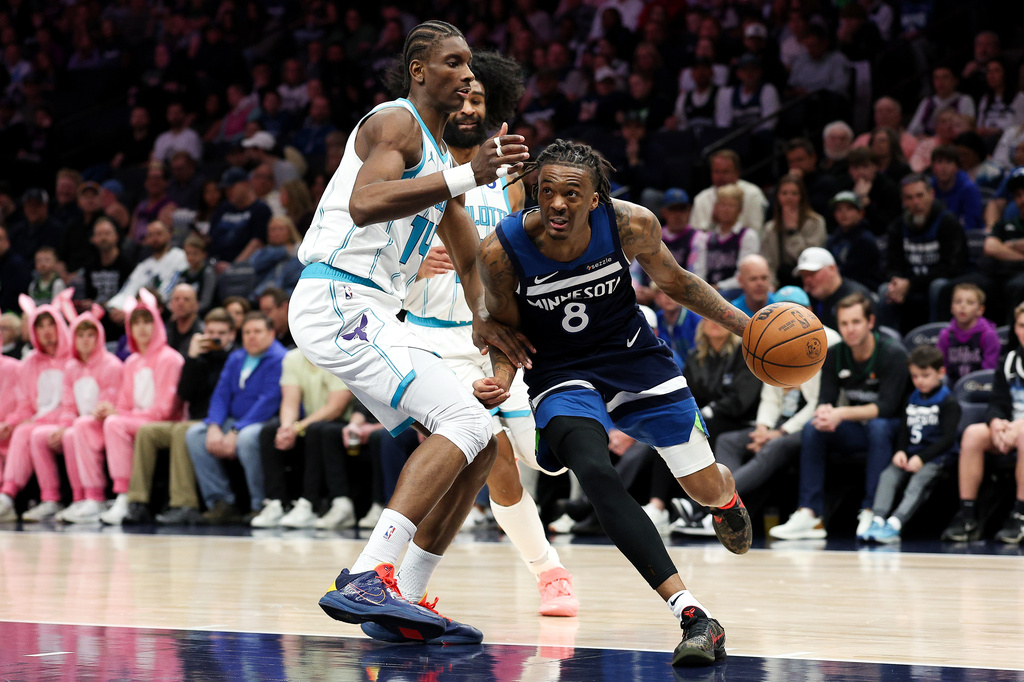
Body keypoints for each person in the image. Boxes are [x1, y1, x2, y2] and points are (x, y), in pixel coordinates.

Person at [288, 20, 532, 644]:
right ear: (419, 70)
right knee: (468, 422)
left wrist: (486, 321)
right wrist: (467, 176)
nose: (469, 75)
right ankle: (372, 575)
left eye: (472, 66)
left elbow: (470, 256)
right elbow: (366, 203)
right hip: (340, 295)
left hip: (367, 309)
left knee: (480, 446)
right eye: (454, 63)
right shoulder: (394, 123)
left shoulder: (437, 155)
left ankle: (402, 602)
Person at [476, 138, 754, 666]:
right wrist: (500, 377)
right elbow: (507, 334)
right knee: (596, 471)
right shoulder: (502, 251)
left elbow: (677, 283)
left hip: (635, 360)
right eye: (547, 191)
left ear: (595, 199)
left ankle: (726, 501)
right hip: (561, 374)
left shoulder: (631, 224)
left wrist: (747, 327)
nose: (556, 203)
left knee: (704, 486)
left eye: (571, 193)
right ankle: (693, 613)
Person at [399, 50, 579, 618]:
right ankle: (548, 572)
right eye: (462, 97)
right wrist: (411, 262)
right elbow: (372, 261)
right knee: (490, 449)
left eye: (479, 99)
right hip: (432, 340)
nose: (469, 106)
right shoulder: (414, 172)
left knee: (545, 456)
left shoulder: (509, 180)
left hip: (497, 338)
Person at [678, 286, 823, 536]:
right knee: (728, 441)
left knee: (773, 448)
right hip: (776, 424)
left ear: (807, 312)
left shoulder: (821, 340)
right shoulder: (770, 339)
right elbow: (770, 394)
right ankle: (722, 510)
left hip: (806, 426)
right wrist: (762, 428)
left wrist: (779, 432)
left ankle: (708, 507)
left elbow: (819, 402)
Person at [770, 293, 908, 541]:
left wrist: (840, 413)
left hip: (894, 432)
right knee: (814, 428)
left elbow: (887, 407)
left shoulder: (892, 353)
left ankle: (871, 511)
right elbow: (825, 399)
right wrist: (824, 412)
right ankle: (810, 515)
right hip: (858, 430)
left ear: (871, 322)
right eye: (844, 323)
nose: (850, 330)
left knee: (879, 427)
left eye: (856, 322)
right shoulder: (834, 353)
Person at [68, 290, 185, 525]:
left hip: (163, 422)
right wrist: (107, 409)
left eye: (147, 322)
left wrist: (117, 414)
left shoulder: (170, 359)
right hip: (133, 420)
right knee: (83, 424)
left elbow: (165, 409)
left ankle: (124, 495)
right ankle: (94, 497)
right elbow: (123, 404)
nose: (141, 328)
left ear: (158, 324)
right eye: (136, 323)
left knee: (114, 423)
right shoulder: (131, 362)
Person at [126, 308, 235, 526]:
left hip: (222, 421)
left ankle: (184, 503)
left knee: (181, 431)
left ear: (232, 334)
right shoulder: (198, 358)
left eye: (221, 333)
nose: (215, 337)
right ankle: (138, 502)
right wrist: (193, 358)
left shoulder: (236, 357)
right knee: (148, 431)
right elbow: (184, 393)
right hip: (195, 419)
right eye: (210, 331)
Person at [25, 296, 122, 522]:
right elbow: (68, 405)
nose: (86, 341)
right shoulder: (72, 367)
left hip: (102, 424)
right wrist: (62, 426)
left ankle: (94, 496)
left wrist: (76, 423)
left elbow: (109, 404)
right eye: (80, 335)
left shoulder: (111, 365)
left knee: (76, 431)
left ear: (99, 337)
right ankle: (69, 499)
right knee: (45, 435)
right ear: (73, 338)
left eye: (91, 335)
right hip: (79, 424)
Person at [187, 312, 286, 524]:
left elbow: (269, 400)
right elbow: (221, 395)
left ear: (271, 333)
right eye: (247, 332)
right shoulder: (237, 357)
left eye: (257, 331)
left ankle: (259, 505)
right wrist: (214, 426)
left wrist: (236, 430)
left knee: (247, 438)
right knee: (196, 434)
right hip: (236, 420)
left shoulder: (279, 358)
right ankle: (221, 502)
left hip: (267, 420)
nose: (251, 336)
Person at [941, 302, 1024, 544]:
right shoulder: (1008, 361)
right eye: (1020, 325)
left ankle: (1020, 515)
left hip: (1020, 431)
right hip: (1009, 429)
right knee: (973, 434)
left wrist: (1017, 428)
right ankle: (967, 515)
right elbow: (997, 401)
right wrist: (997, 422)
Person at [859, 345, 960, 543]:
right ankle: (878, 519)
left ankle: (895, 524)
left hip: (935, 458)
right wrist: (900, 451)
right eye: (915, 376)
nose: (919, 381)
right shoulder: (911, 399)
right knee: (888, 475)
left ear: (941, 373)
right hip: (911, 454)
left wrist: (922, 459)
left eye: (925, 375)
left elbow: (948, 439)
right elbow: (904, 430)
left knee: (917, 482)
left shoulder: (948, 402)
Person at [250, 348, 354, 528]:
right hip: (311, 422)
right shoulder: (293, 357)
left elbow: (336, 407)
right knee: (270, 431)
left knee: (317, 430)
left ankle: (309, 504)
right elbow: (290, 401)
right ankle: (277, 503)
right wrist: (286, 428)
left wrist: (299, 426)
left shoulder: (338, 353)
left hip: (344, 423)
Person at [0, 296, 71, 522]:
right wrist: (10, 423)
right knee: (21, 430)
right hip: (40, 422)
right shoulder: (30, 362)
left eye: (51, 324)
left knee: (29, 432)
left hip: (67, 422)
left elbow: (75, 402)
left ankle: (44, 498)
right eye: (40, 326)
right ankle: (8, 497)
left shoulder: (73, 359)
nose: (47, 331)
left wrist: (46, 421)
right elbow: (26, 406)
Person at [879, 174, 967, 332]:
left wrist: (910, 283)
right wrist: (897, 281)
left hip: (938, 282)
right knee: (886, 290)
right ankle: (889, 341)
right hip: (909, 284)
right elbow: (893, 265)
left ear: (931, 194)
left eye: (920, 195)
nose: (915, 202)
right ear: (903, 201)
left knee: (937, 286)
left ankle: (937, 336)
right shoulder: (897, 227)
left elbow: (952, 268)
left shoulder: (947, 222)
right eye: (909, 198)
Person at [105, 221, 188, 324]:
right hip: (137, 311)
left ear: (169, 235)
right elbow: (127, 290)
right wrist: (115, 307)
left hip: (165, 312)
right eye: (150, 235)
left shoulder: (179, 257)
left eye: (159, 233)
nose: (155, 238)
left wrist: (132, 310)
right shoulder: (143, 265)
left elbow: (166, 293)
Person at [689, 184, 760, 292]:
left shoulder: (747, 236)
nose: (726, 210)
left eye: (731, 205)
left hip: (735, 292)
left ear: (740, 210)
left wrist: (719, 287)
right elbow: (698, 272)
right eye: (722, 205)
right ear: (716, 208)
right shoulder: (705, 238)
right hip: (708, 292)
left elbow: (744, 276)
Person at [761, 173, 825, 287]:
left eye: (794, 193)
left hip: (807, 283)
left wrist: (792, 231)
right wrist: (771, 286)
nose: (789, 198)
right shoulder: (770, 228)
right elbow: (767, 263)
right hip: (777, 284)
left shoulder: (816, 222)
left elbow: (810, 260)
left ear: (802, 197)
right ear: (778, 197)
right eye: (784, 193)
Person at [688, 150, 768, 234]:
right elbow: (694, 237)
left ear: (737, 173)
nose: (720, 177)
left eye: (725, 172)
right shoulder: (701, 199)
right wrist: (713, 223)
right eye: (716, 171)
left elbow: (757, 233)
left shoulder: (753, 194)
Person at [793, 246, 871, 331]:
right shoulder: (806, 299)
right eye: (803, 276)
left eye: (812, 273)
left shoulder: (856, 296)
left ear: (832, 268)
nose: (807, 280)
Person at [937, 283, 1000, 385]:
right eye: (958, 302)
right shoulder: (945, 335)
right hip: (951, 387)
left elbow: (989, 370)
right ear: (952, 307)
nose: (962, 306)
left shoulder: (988, 335)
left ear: (980, 310)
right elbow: (940, 366)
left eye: (970, 303)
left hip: (980, 386)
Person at [825, 191, 884, 291]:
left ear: (861, 213)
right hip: (838, 286)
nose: (843, 214)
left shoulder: (866, 240)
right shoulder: (834, 238)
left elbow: (854, 274)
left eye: (849, 209)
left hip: (864, 290)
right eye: (839, 209)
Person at [907, 66, 976, 138]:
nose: (940, 82)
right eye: (936, 78)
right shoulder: (927, 102)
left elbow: (968, 128)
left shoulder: (964, 100)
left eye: (945, 77)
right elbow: (912, 129)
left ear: (955, 80)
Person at [930, 144, 983, 233]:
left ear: (957, 167)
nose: (944, 168)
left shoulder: (969, 189)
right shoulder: (927, 188)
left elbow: (971, 225)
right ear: (932, 167)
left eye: (949, 162)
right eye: (939, 162)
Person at [165, 283, 202, 356]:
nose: (180, 303)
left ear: (196, 305)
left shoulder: (202, 331)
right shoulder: (165, 330)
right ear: (171, 304)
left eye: (186, 299)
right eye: (176, 299)